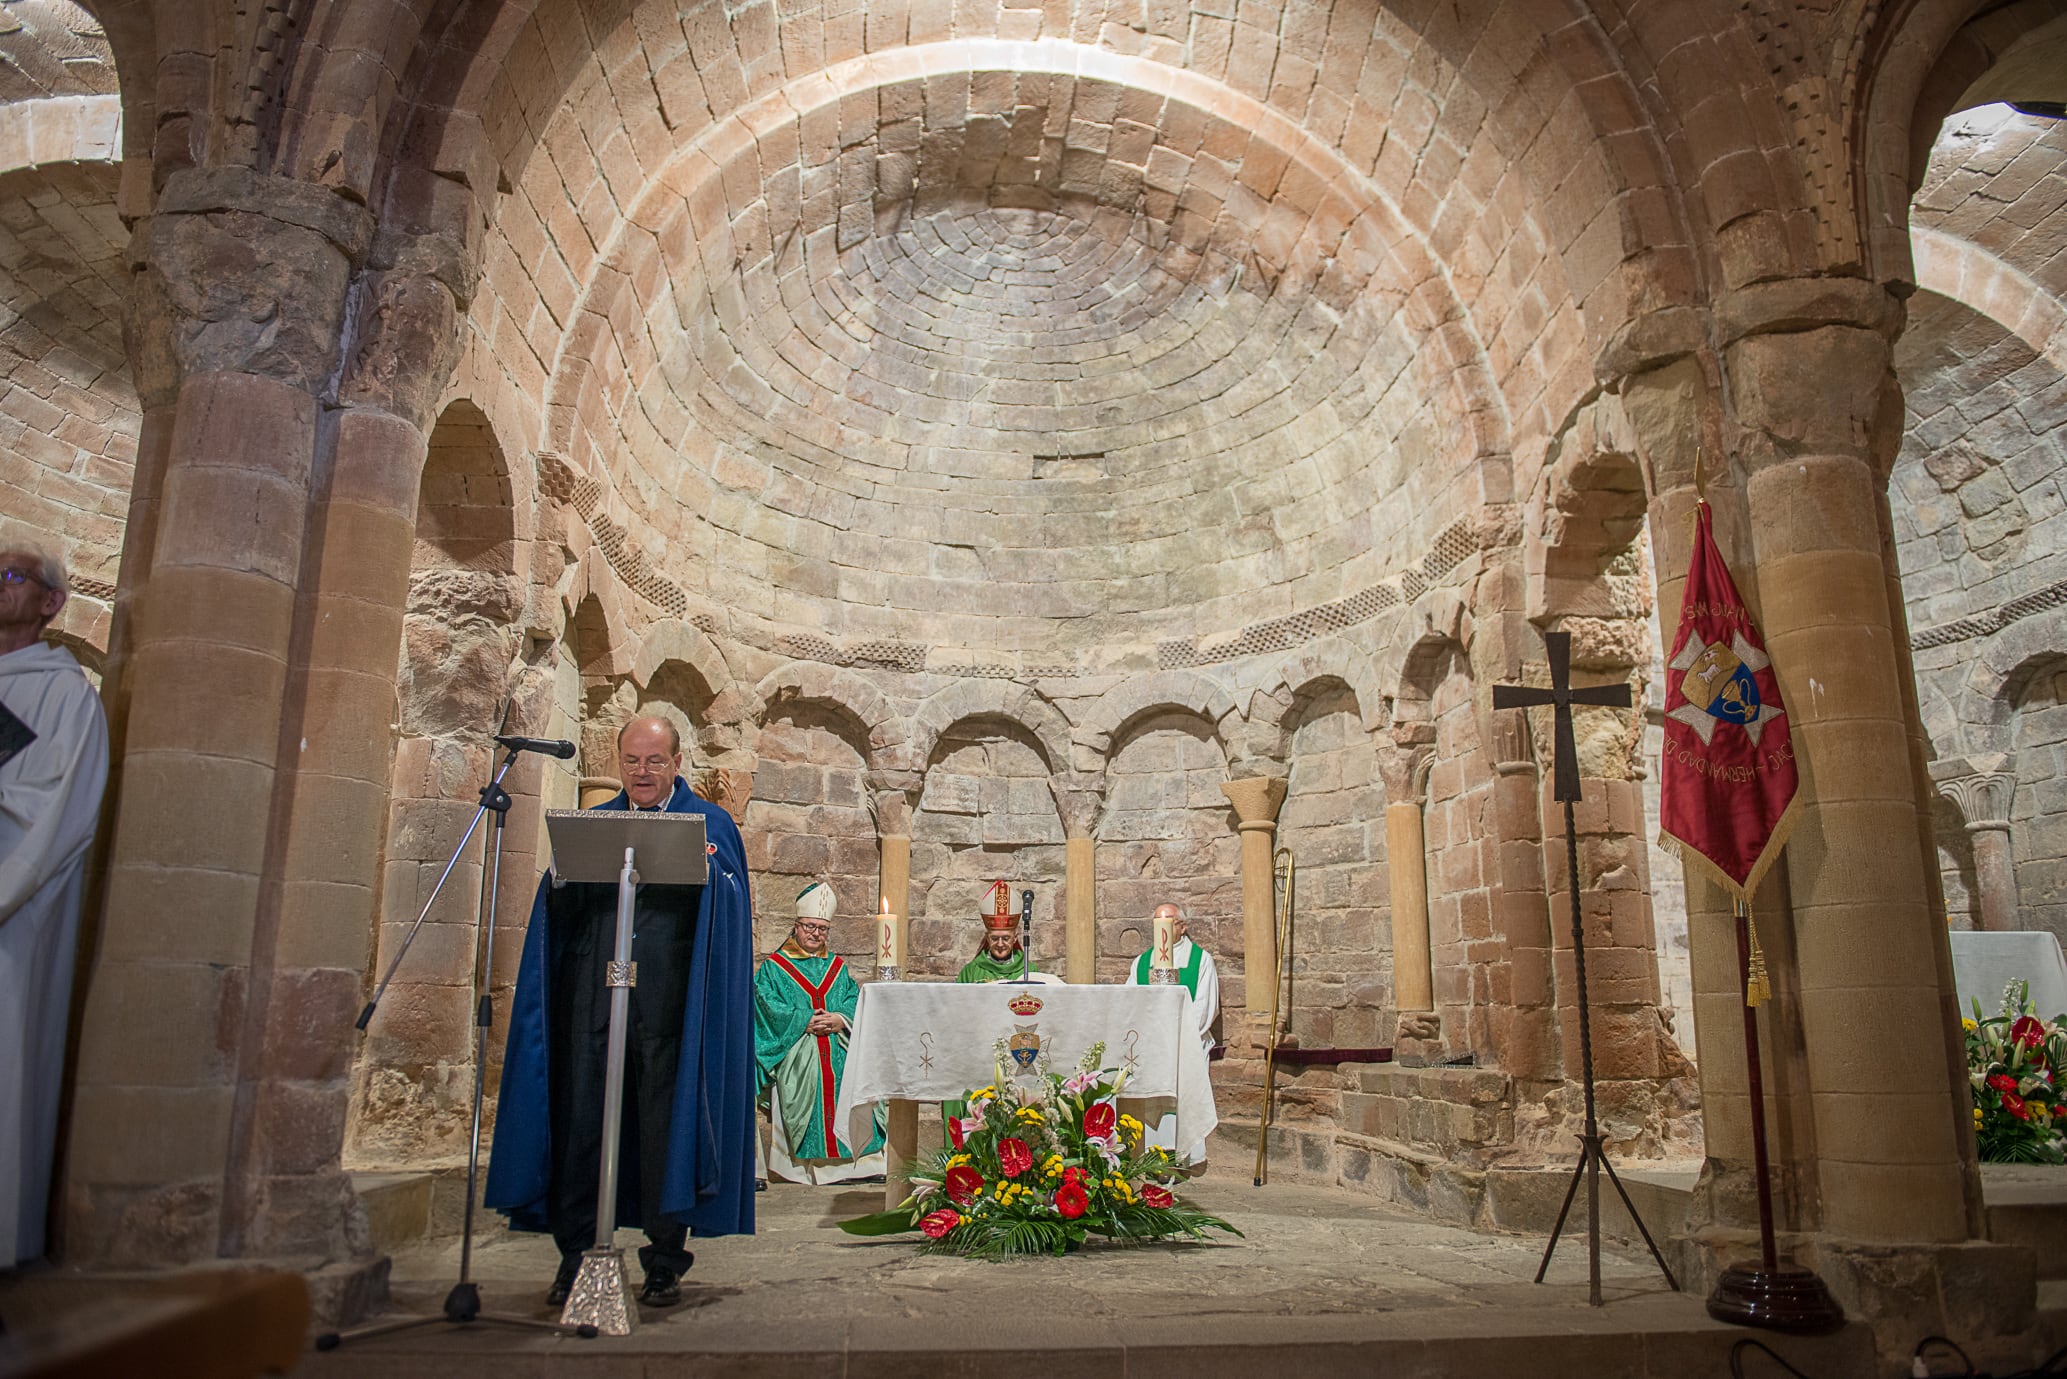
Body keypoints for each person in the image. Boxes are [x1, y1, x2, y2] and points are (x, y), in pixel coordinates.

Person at [485, 716, 756, 1308]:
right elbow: (562, 902)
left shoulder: (710, 824)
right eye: (632, 760)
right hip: (593, 997)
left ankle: (663, 1260)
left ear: (677, 763)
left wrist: (710, 873)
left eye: (655, 761)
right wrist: (560, 882)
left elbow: (731, 908)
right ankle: (576, 1254)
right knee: (583, 1121)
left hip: (669, 1008)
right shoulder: (599, 821)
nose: (642, 772)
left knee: (665, 1126)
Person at [0, 546, 107, 1266]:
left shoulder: (67, 694)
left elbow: (56, 806)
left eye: (11, 575)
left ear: (51, 603)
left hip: (15, 910)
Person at [751, 881, 884, 1185]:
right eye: (809, 926)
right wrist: (803, 1022)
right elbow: (765, 1005)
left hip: (838, 1042)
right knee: (809, 1073)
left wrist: (839, 1019)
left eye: (822, 929)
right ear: (796, 927)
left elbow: (853, 999)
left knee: (854, 1071)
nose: (815, 933)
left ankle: (860, 1165)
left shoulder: (836, 966)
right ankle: (802, 1167)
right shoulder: (774, 968)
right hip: (797, 1048)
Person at [1124, 902, 1219, 1164]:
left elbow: (1205, 1007)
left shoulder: (1201, 960)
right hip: (1150, 1048)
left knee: (1183, 1100)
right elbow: (1130, 1001)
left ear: (1182, 927)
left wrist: (1178, 1036)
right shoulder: (1143, 962)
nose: (1161, 930)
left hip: (1186, 1044)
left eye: (1167, 923)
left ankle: (1187, 1155)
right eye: (1156, 924)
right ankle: (1152, 1156)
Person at [955, 879, 1060, 984]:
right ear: (987, 938)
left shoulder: (1029, 970)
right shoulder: (971, 971)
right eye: (995, 938)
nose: (1000, 944)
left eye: (1006, 938)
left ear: (1015, 938)